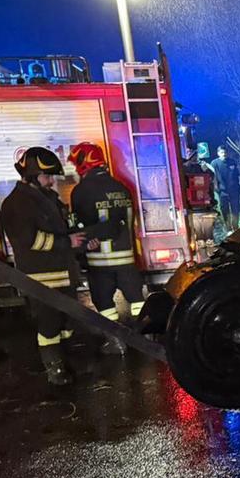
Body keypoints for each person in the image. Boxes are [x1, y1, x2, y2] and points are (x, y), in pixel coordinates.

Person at [0, 147, 87, 385]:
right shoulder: (17, 203)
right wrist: (66, 241)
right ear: (31, 175)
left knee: (65, 323)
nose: (51, 182)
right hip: (40, 278)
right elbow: (29, 240)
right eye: (47, 176)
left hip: (63, 273)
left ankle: (65, 359)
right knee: (49, 324)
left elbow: (61, 229)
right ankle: (54, 368)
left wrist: (78, 240)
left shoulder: (47, 199)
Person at [67, 142, 144, 355]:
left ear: (84, 163)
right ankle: (145, 339)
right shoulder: (122, 188)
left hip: (99, 261)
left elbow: (79, 227)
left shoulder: (81, 192)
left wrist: (79, 249)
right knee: (137, 300)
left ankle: (115, 341)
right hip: (127, 260)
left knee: (104, 303)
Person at [206, 144, 240, 232]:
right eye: (222, 152)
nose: (224, 154)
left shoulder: (232, 162)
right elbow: (211, 176)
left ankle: (236, 226)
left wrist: (239, 186)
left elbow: (238, 175)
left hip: (234, 190)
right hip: (222, 191)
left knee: (235, 208)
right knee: (224, 210)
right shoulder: (214, 163)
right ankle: (228, 228)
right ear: (218, 153)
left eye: (225, 152)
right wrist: (216, 188)